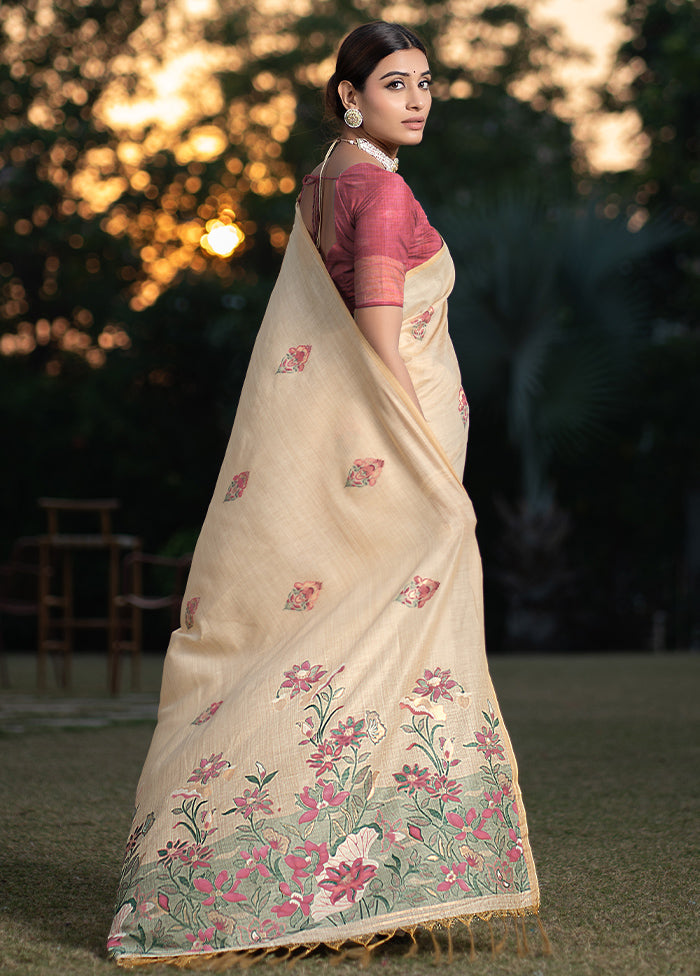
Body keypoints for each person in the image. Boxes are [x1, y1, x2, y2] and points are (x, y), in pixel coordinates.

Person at [108, 22, 544, 966]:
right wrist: (429, 467)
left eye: (427, 81)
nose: (419, 99)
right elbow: (379, 337)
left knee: (323, 641)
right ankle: (337, 872)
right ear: (349, 93)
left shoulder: (325, 180)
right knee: (366, 642)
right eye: (396, 83)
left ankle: (285, 863)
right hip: (394, 451)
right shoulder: (379, 193)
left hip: (347, 454)